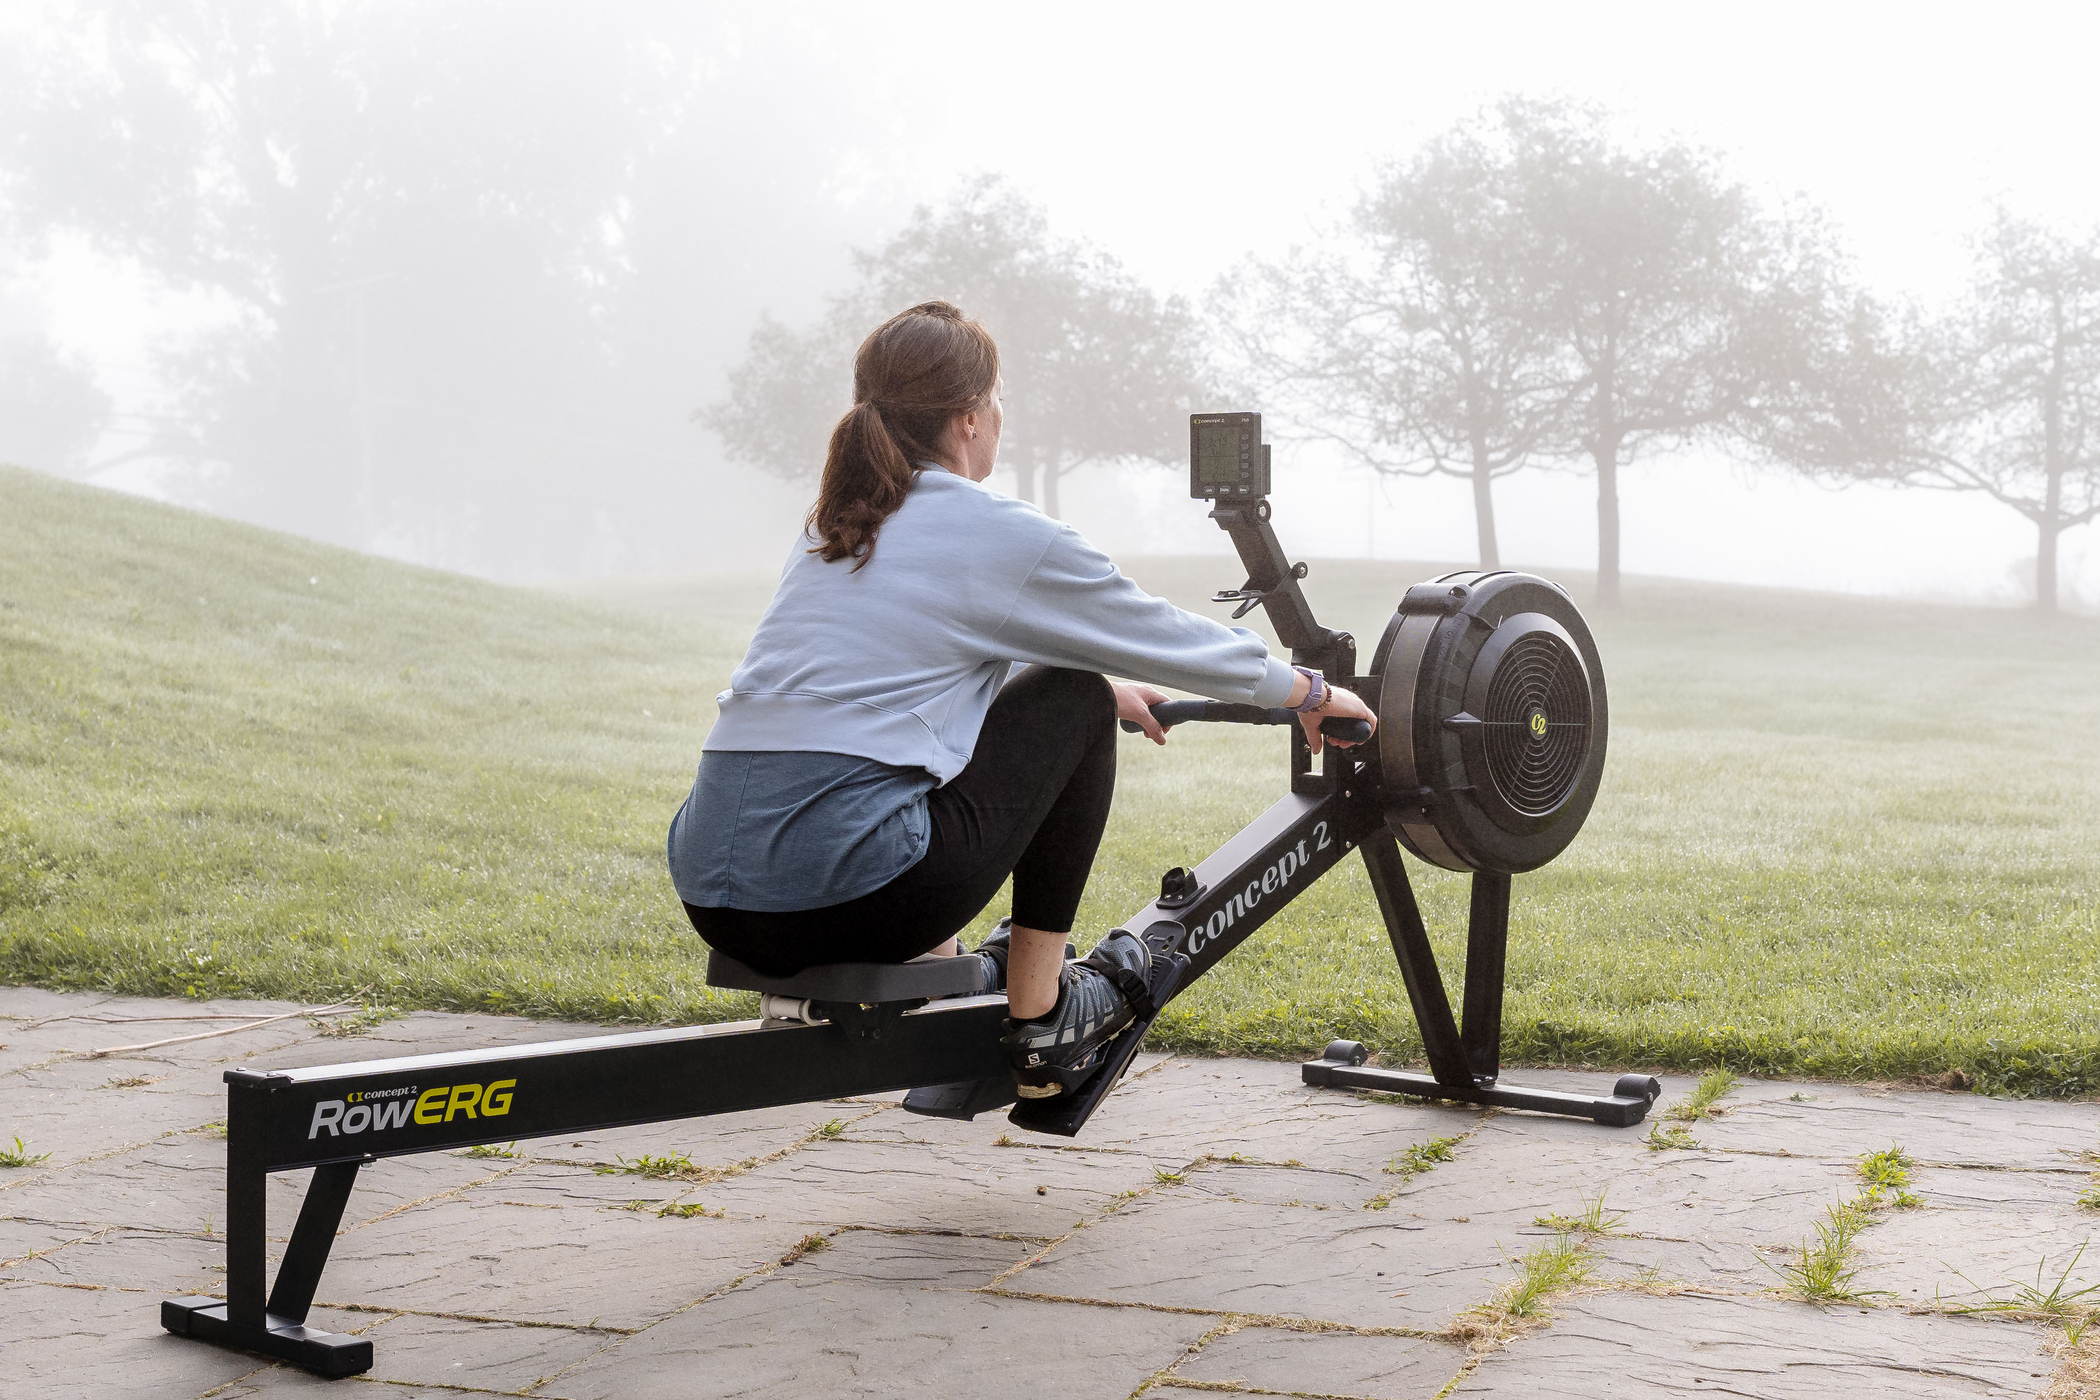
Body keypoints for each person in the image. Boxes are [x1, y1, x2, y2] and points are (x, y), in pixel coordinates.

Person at [668, 301, 1376, 1100]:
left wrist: (1104, 692)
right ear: (970, 418)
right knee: (1073, 695)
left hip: (717, 901)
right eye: (997, 397)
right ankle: (1044, 1014)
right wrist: (1307, 690)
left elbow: (893, 677)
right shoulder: (991, 528)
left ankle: (946, 968)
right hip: (850, 902)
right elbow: (1155, 631)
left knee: (1013, 722)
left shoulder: (833, 532)